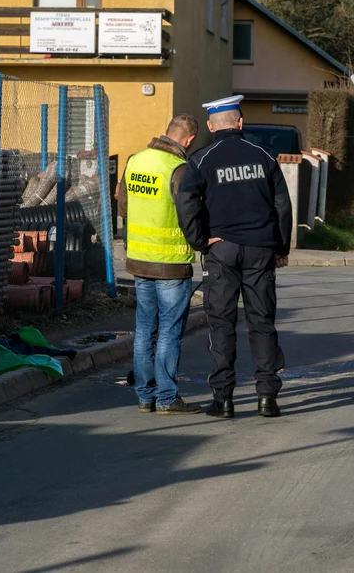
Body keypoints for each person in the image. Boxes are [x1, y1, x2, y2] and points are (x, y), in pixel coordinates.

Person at [176, 95, 293, 419]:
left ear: (212, 126)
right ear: (241, 124)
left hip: (221, 250)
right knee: (262, 323)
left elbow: (186, 203)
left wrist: (200, 241)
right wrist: (280, 248)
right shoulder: (264, 156)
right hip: (260, 251)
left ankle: (223, 400)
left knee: (222, 324)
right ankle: (267, 398)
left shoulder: (201, 159)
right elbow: (283, 205)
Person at [117, 115, 204, 415]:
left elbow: (124, 207)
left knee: (144, 330)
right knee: (169, 331)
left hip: (140, 262)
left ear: (167, 132)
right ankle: (167, 398)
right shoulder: (179, 169)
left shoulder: (135, 161)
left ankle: (145, 396)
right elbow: (190, 214)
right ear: (189, 139)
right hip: (170, 264)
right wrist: (203, 243)